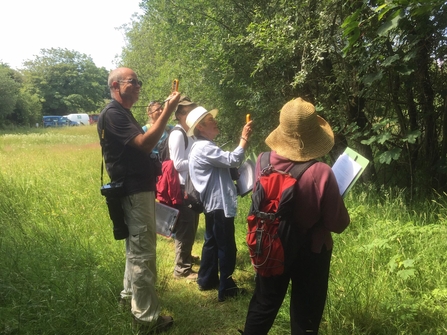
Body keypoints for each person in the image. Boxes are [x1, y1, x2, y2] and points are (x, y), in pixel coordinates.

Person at [241, 97, 350, 335]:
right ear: (313, 136)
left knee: (263, 303)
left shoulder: (263, 160)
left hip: (269, 244)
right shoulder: (321, 172)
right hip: (311, 252)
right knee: (305, 314)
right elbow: (338, 223)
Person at [97, 67, 180, 334]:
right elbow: (145, 144)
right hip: (133, 191)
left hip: (136, 189)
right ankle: (146, 319)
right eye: (132, 82)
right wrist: (167, 110)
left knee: (135, 249)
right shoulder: (113, 114)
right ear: (115, 86)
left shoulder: (122, 113)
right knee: (143, 252)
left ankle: (127, 299)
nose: (138, 86)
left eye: (138, 82)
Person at [186, 106, 253, 302]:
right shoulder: (205, 147)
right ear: (200, 127)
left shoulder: (202, 146)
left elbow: (223, 166)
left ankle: (206, 280)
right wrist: (244, 138)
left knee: (212, 242)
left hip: (213, 203)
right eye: (209, 120)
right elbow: (233, 158)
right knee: (226, 246)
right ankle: (227, 287)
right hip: (219, 203)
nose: (215, 122)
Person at [169, 96, 201, 280]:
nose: (192, 114)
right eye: (189, 111)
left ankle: (186, 258)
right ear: (180, 114)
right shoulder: (177, 134)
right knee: (185, 227)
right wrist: (200, 160)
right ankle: (182, 269)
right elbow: (177, 163)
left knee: (191, 225)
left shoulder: (189, 133)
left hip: (191, 186)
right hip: (182, 187)